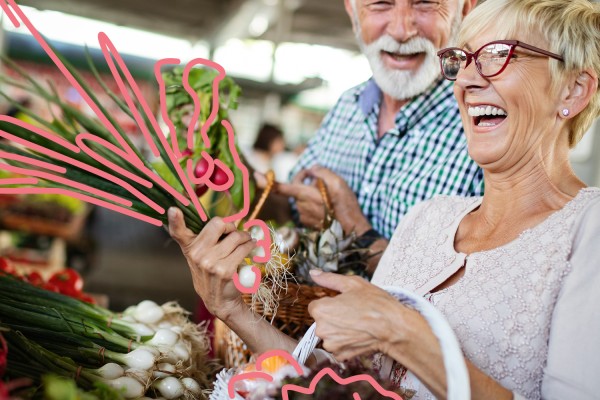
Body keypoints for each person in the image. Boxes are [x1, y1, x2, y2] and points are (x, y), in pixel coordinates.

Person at [169, 0, 600, 398]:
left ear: (574, 90)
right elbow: (342, 378)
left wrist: (401, 332)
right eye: (463, 59)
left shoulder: (588, 229)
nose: (467, 79)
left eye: (498, 54)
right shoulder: (427, 219)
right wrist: (231, 310)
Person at [258, 0, 484, 273]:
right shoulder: (348, 105)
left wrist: (350, 225)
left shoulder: (483, 125)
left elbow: (470, 291)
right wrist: (234, 172)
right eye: (380, 4)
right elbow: (291, 214)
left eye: (425, 3)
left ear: (464, 10)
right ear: (353, 12)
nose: (401, 30)